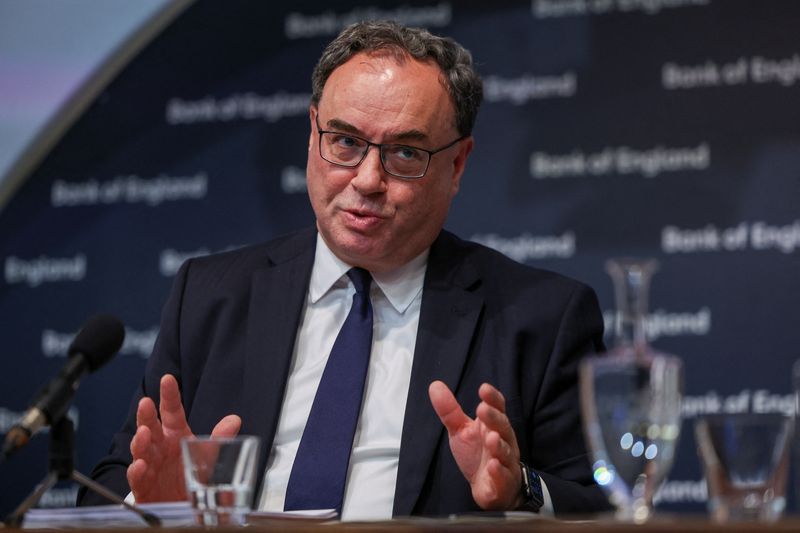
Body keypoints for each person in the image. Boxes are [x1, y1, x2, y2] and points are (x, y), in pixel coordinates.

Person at [79, 20, 610, 519]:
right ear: (313, 135)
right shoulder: (210, 294)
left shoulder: (540, 317)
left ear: (458, 164)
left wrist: (519, 488)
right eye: (346, 143)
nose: (367, 179)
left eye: (405, 153)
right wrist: (154, 506)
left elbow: (605, 509)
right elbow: (111, 481)